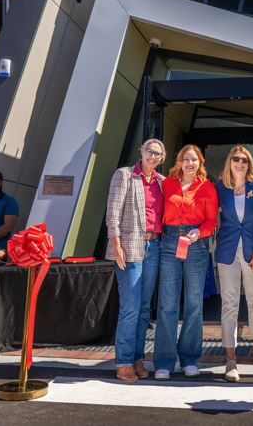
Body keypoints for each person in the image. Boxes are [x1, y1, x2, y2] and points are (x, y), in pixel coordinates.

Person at [105, 139, 166, 383]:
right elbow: (113, 212)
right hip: (129, 247)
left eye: (158, 155)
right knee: (130, 307)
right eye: (150, 152)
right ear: (141, 151)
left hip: (154, 246)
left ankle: (138, 357)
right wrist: (116, 243)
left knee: (143, 309)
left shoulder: (162, 183)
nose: (153, 157)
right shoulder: (125, 175)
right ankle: (123, 361)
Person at [154, 145, 217, 380]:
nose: (190, 163)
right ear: (179, 162)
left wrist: (198, 233)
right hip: (169, 242)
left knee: (193, 304)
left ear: (200, 163)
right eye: (185, 159)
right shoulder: (167, 184)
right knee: (167, 304)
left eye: (194, 160)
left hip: (195, 245)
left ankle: (189, 359)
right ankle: (164, 361)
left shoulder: (208, 188)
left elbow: (211, 222)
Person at [215, 145, 253, 382]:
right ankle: (230, 359)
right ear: (229, 162)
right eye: (236, 159)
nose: (240, 163)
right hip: (227, 251)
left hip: (252, 252)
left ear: (249, 164)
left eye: (244, 160)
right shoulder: (219, 187)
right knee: (229, 303)